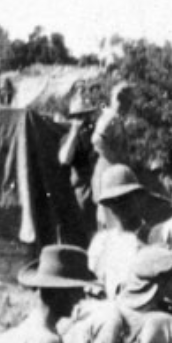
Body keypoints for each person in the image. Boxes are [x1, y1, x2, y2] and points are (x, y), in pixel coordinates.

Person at [88, 164, 172, 297]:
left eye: (126, 198)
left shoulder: (147, 235)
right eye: (114, 201)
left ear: (138, 197)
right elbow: (98, 278)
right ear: (108, 205)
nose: (121, 206)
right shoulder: (102, 243)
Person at [59, 92, 101, 237]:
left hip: (100, 186)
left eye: (86, 115)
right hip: (83, 191)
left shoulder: (98, 133)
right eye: (78, 116)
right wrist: (74, 132)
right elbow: (64, 159)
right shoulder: (69, 138)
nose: (83, 120)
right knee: (87, 232)